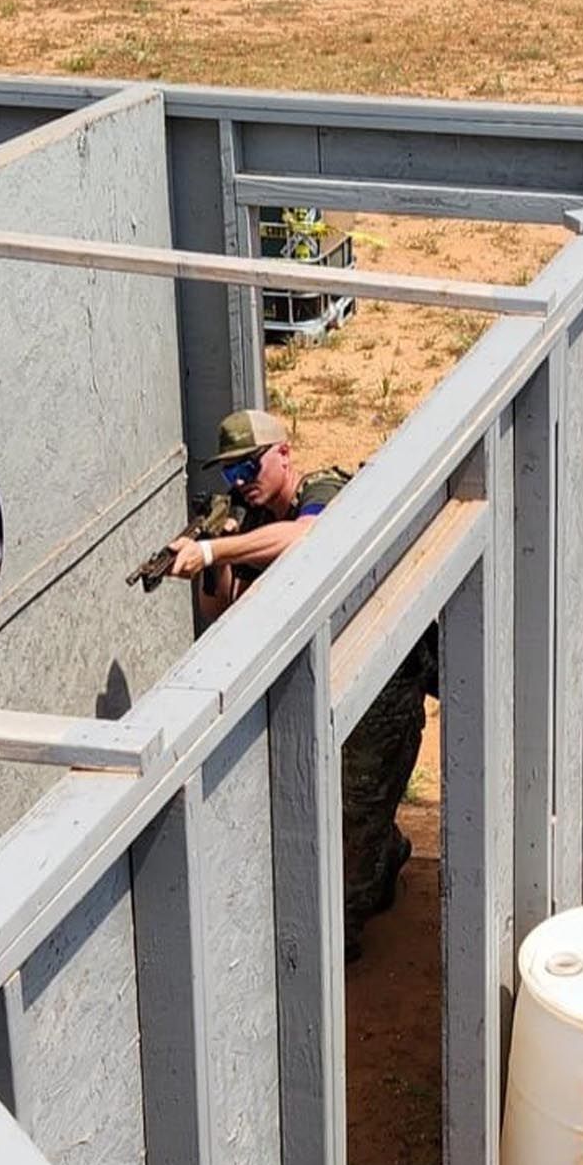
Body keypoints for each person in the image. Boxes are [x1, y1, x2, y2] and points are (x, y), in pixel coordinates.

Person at [164, 408, 435, 960]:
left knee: (351, 819)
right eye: (231, 474)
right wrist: (217, 556)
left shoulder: (324, 489)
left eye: (251, 467)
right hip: (330, 679)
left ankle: (342, 936)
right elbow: (221, 610)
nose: (243, 483)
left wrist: (217, 549)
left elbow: (310, 540)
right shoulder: (253, 522)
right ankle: (383, 854)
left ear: (283, 453)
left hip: (386, 678)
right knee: (330, 804)